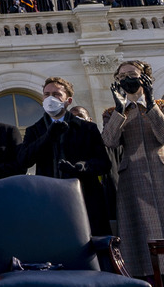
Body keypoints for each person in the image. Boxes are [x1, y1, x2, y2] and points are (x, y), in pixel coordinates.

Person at [17, 76, 112, 235]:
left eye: (56, 94)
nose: (50, 98)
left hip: (84, 198)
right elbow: (23, 160)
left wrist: (82, 167)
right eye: (46, 94)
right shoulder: (34, 130)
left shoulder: (86, 128)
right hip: (49, 198)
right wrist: (47, 136)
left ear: (68, 100)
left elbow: (104, 163)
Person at [101, 60, 164, 281]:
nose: (127, 78)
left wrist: (150, 103)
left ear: (145, 77)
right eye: (121, 76)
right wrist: (120, 110)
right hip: (132, 179)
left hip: (160, 172)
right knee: (140, 235)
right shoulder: (112, 112)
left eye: (132, 73)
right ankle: (147, 278)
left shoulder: (160, 105)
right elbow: (109, 142)